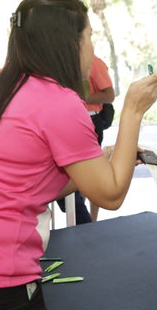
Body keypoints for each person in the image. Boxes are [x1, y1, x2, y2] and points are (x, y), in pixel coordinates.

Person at [0, 0, 157, 309]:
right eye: (89, 36)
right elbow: (110, 195)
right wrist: (133, 110)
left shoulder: (8, 93)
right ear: (70, 42)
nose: (92, 48)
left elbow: (25, 183)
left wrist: (106, 158)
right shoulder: (60, 102)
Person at [56, 54, 115, 223]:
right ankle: (84, 222)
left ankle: (89, 223)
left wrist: (76, 96)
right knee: (74, 180)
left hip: (89, 119)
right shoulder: (57, 61)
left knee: (89, 176)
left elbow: (109, 95)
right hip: (66, 120)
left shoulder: (94, 62)